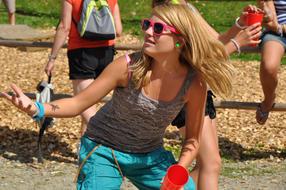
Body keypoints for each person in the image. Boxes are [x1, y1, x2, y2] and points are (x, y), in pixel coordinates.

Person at [2, 4, 235, 190]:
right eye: (147, 24)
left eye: (157, 28)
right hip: (103, 149)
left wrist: (179, 172)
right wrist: (37, 108)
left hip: (148, 156)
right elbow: (77, 103)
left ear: (179, 41)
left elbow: (192, 140)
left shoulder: (194, 83)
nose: (147, 31)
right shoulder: (128, 67)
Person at [151, 1, 262, 189]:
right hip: (183, 93)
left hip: (198, 90)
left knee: (209, 165)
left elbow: (215, 40)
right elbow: (198, 62)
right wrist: (236, 43)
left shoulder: (185, 6)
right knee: (210, 164)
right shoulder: (170, 12)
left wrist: (240, 24)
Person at [44, 0, 122, 136]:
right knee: (91, 102)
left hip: (81, 53)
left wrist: (52, 58)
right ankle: (85, 151)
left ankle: (107, 138)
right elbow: (118, 30)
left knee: (83, 104)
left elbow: (64, 28)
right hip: (106, 52)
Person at [255, 0, 284, 125]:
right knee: (269, 67)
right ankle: (269, 98)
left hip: (280, 28)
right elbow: (267, 5)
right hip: (276, 32)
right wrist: (270, 18)